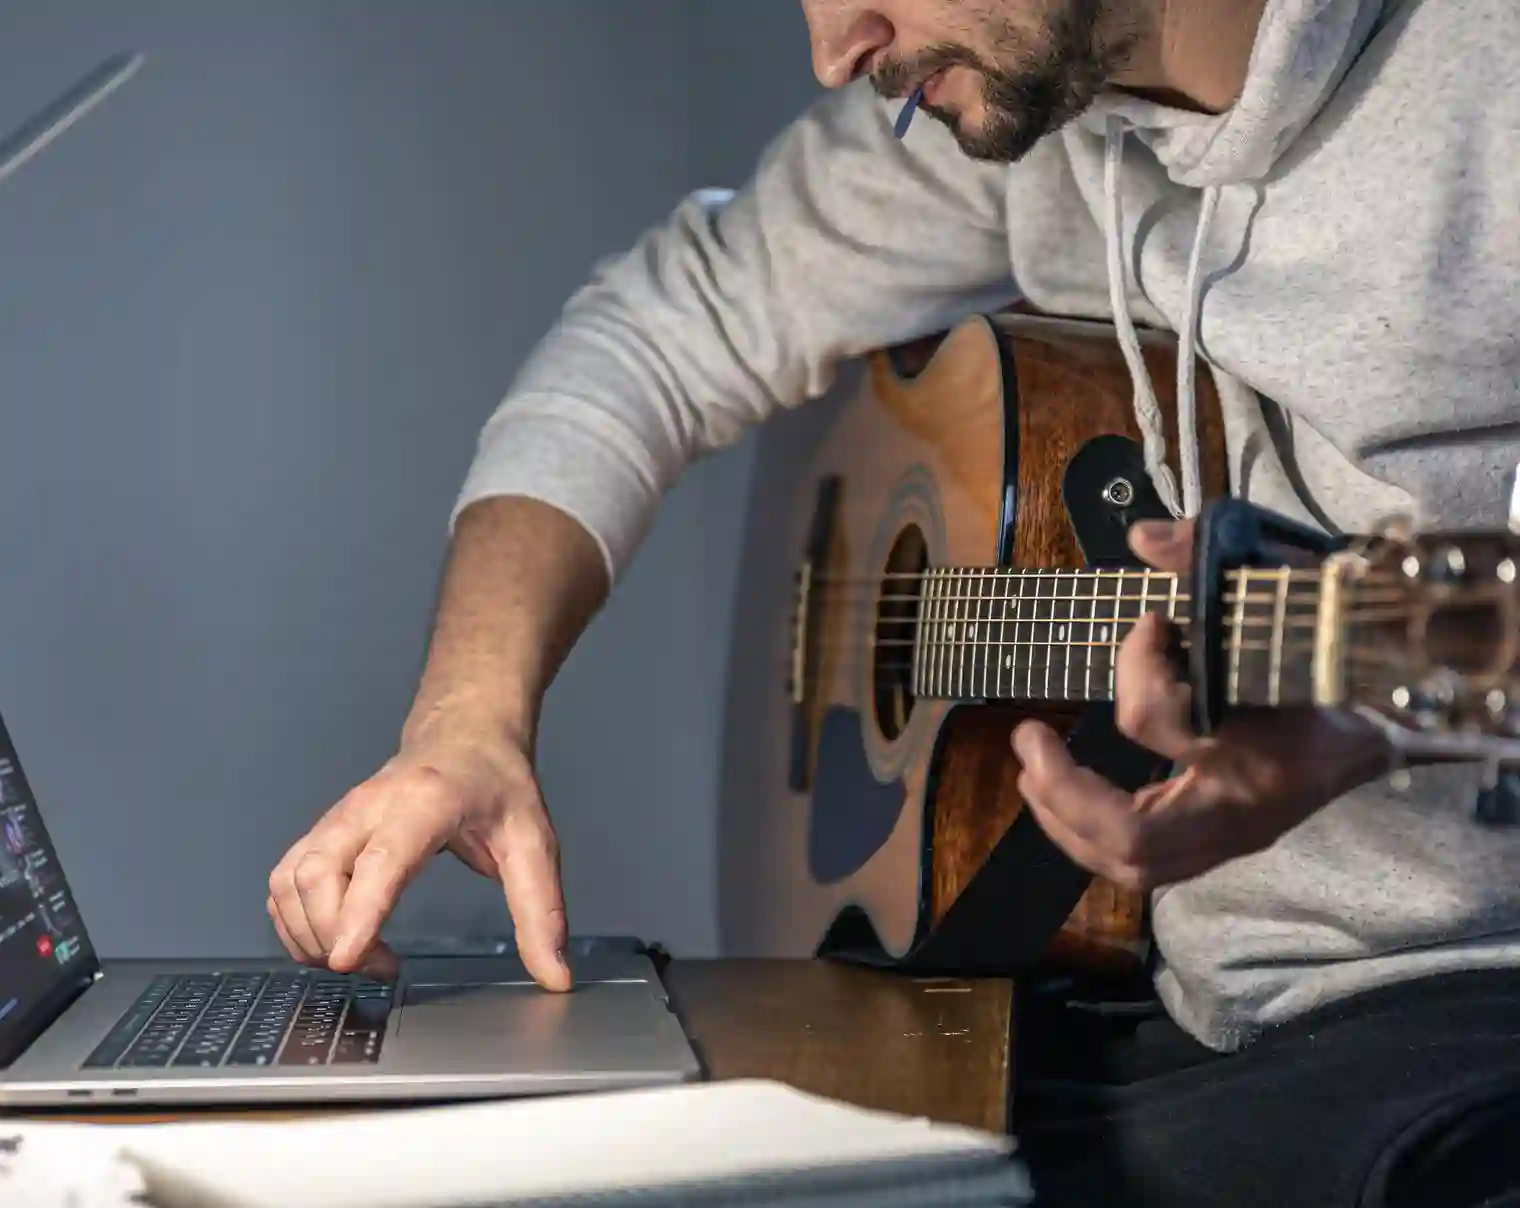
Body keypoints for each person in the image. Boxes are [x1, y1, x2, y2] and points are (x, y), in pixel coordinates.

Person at [268, 1, 1520, 1203]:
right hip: (1158, 1007)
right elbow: (650, 335)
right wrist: (463, 722)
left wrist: (1375, 731)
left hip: (1452, 1009)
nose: (829, 52)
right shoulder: (1029, 111)